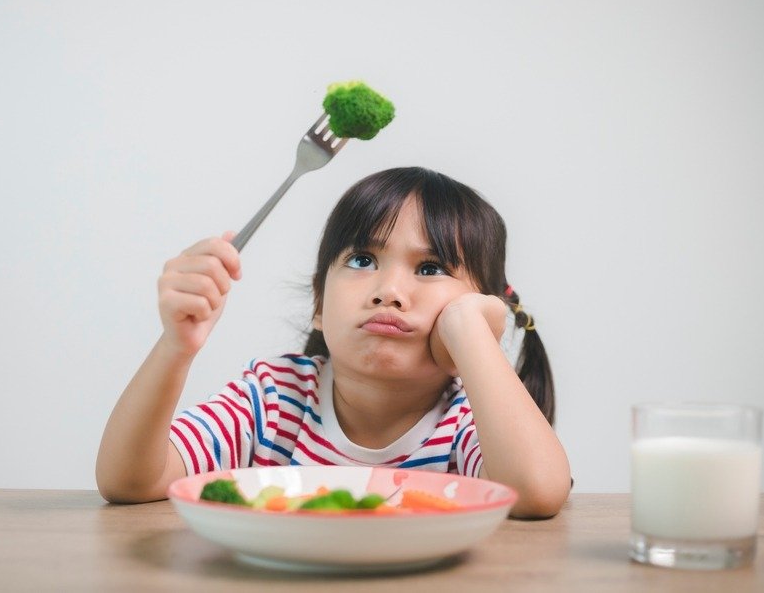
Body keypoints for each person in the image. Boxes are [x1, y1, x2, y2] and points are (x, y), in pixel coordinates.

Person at [97, 167, 571, 518]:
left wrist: (471, 332)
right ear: (319, 303)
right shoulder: (273, 399)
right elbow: (129, 481)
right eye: (363, 260)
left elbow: (536, 492)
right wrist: (175, 347)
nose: (388, 290)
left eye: (430, 269)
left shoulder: (469, 421)